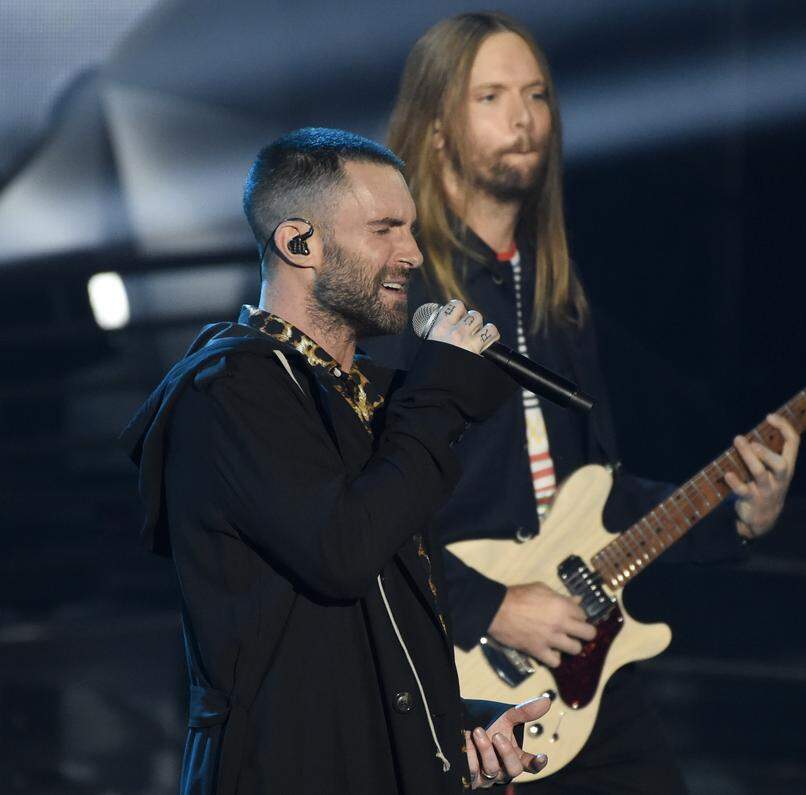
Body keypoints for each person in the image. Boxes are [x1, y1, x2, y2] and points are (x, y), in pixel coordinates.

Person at [367, 13, 801, 793]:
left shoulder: (557, 294)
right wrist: (488, 607)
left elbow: (605, 490)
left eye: (535, 94)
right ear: (435, 129)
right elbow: (353, 503)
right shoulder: (400, 293)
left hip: (579, 655)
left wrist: (738, 514)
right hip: (452, 663)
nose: (523, 116)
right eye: (491, 96)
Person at [122, 127, 553, 794]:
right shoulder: (230, 392)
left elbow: (368, 637)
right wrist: (436, 397)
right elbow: (341, 551)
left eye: (409, 228)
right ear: (300, 243)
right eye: (385, 228)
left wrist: (452, 729)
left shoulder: (368, 397)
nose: (412, 253)